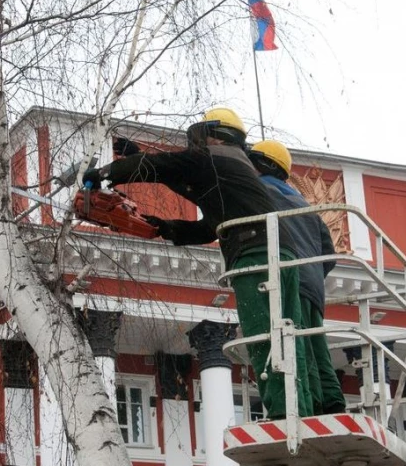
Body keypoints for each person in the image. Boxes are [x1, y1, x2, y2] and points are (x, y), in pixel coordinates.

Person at [82, 108, 313, 419]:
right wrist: (164, 227)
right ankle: (303, 409)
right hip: (281, 254)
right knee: (289, 333)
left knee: (264, 333)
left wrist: (103, 174)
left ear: (209, 134)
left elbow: (164, 167)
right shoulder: (233, 167)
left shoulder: (210, 158)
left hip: (254, 252)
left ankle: (284, 415)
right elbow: (205, 223)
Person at [248, 140, 347, 415]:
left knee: (295, 343)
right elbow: (329, 253)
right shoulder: (303, 204)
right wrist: (313, 274)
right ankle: (333, 401)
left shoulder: (260, 191)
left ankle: (307, 403)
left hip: (287, 278)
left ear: (260, 165)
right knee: (316, 344)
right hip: (313, 286)